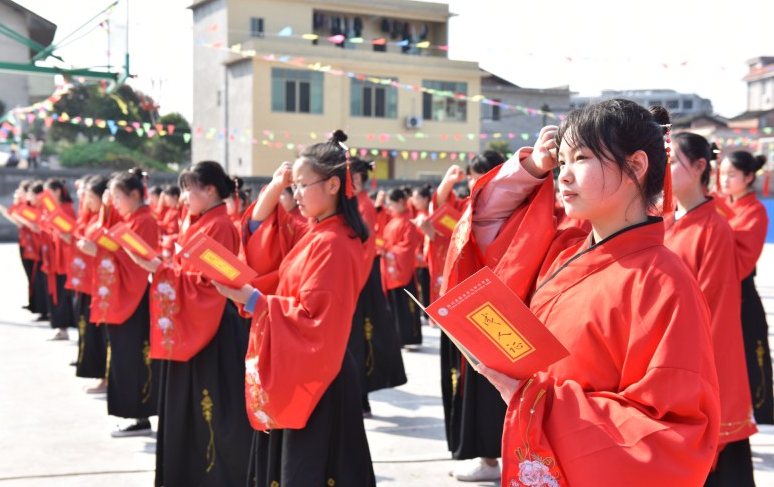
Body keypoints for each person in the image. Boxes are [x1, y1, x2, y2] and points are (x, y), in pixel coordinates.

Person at [462, 99, 720, 486]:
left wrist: (539, 403)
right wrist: (532, 167)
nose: (563, 176)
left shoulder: (665, 283)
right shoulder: (562, 250)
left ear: (635, 166)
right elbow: (485, 229)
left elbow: (671, 437)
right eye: (561, 162)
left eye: (581, 158)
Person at [213, 130, 376, 487]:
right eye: (294, 186)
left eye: (302, 185)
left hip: (319, 370)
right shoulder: (318, 232)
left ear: (333, 186)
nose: (295, 194)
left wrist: (253, 300)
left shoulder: (333, 242)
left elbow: (314, 318)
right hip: (308, 365)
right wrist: (274, 187)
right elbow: (263, 236)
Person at [126, 161, 253, 487]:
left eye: (188, 189)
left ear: (210, 190)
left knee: (212, 404)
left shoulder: (220, 226)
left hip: (212, 324)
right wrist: (163, 267)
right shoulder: (202, 223)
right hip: (195, 321)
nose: (183, 197)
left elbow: (214, 284)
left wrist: (161, 269)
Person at [664, 132, 757, 486]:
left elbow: (714, 312)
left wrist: (694, 376)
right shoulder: (672, 220)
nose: (664, 171)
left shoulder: (713, 227)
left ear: (701, 166)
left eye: (672, 163)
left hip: (700, 366)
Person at [431, 152, 506, 482]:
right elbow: (443, 221)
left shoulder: (508, 208)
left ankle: (495, 457)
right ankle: (484, 456)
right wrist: (448, 182)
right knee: (474, 383)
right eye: (474, 177)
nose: (476, 184)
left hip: (494, 306)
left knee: (492, 385)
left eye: (482, 175)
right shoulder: (471, 209)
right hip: (467, 305)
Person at [78, 168, 160, 437]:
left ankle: (138, 417)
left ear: (134, 194)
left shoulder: (144, 220)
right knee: (124, 357)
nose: (113, 202)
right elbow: (108, 236)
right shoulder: (130, 218)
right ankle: (131, 414)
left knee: (133, 358)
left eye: (117, 196)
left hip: (134, 296)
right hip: (125, 295)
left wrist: (99, 250)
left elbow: (137, 261)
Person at [348, 157, 407, 417]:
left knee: (360, 339)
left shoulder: (362, 206)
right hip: (357, 274)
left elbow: (362, 246)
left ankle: (360, 397)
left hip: (360, 277)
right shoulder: (353, 204)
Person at [720, 151, 772, 425]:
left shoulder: (755, 210)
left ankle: (760, 413)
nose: (724, 180)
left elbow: (743, 259)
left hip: (742, 293)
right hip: (719, 292)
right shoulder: (717, 204)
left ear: (749, 177)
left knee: (753, 354)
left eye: (731, 175)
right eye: (722, 173)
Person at [72, 175, 110, 393]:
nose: (85, 200)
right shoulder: (94, 217)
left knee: (99, 333)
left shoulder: (105, 221)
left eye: (89, 195)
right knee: (91, 331)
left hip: (101, 284)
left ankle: (103, 377)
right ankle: (98, 374)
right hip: (91, 280)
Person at [382, 188, 423, 348]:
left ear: (400, 202)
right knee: (395, 305)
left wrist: (389, 251)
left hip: (401, 267)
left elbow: (407, 247)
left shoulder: (408, 221)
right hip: (392, 265)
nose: (390, 207)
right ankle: (398, 338)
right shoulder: (394, 219)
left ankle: (409, 337)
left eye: (391, 203)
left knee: (405, 304)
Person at [43, 178, 78, 341]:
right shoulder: (57, 209)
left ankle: (64, 328)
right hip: (56, 257)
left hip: (66, 258)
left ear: (57, 191)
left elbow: (70, 235)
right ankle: (60, 327)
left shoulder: (67, 209)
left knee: (64, 295)